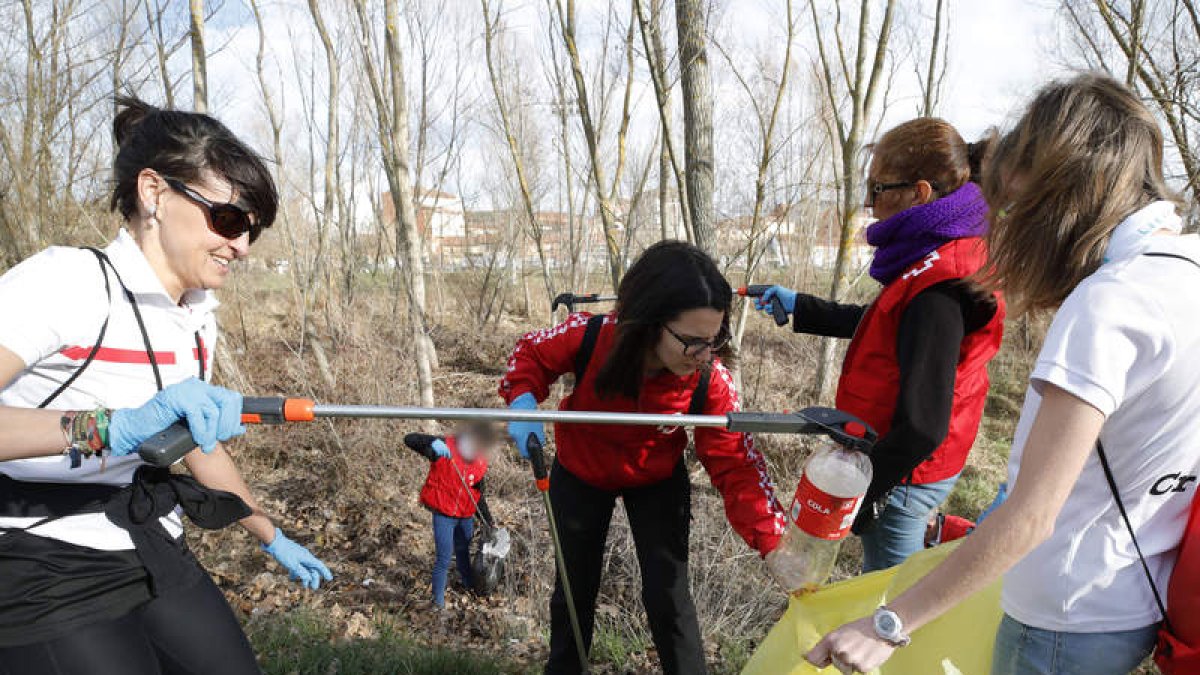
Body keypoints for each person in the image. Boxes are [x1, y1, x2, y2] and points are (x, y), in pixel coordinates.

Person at [808, 73, 1200, 675]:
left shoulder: (1109, 304)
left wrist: (888, 624)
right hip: (1133, 597)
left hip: (1060, 617)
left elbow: (1033, 516)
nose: (1001, 229)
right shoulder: (1185, 269)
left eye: (1012, 208)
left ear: (1059, 196)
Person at [0, 97, 331, 675]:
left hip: (149, 541)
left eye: (252, 229)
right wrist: (113, 427)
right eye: (228, 219)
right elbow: (130, 427)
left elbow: (195, 441)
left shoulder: (196, 317)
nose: (242, 245)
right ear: (154, 192)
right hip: (41, 559)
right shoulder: (68, 282)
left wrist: (268, 532)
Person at [499, 241, 786, 675]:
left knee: (670, 596)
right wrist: (522, 399)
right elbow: (530, 353)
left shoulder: (710, 378)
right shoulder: (591, 335)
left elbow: (736, 463)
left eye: (714, 339)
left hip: (657, 479)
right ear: (651, 323)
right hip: (581, 471)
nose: (705, 355)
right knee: (573, 591)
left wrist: (775, 542)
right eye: (693, 342)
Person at [754, 117, 1006, 572]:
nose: (868, 206)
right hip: (907, 467)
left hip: (905, 473)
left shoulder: (940, 286)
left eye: (877, 189)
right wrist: (803, 308)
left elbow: (922, 428)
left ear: (919, 193)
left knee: (890, 597)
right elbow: (889, 326)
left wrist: (866, 491)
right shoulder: (936, 256)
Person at [403, 423, 497, 608]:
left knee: (463, 552)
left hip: (465, 516)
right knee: (444, 559)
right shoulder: (444, 447)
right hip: (444, 515)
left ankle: (469, 587)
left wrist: (488, 520)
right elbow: (409, 439)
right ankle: (438, 603)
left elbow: (478, 495)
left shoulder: (480, 461)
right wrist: (432, 441)